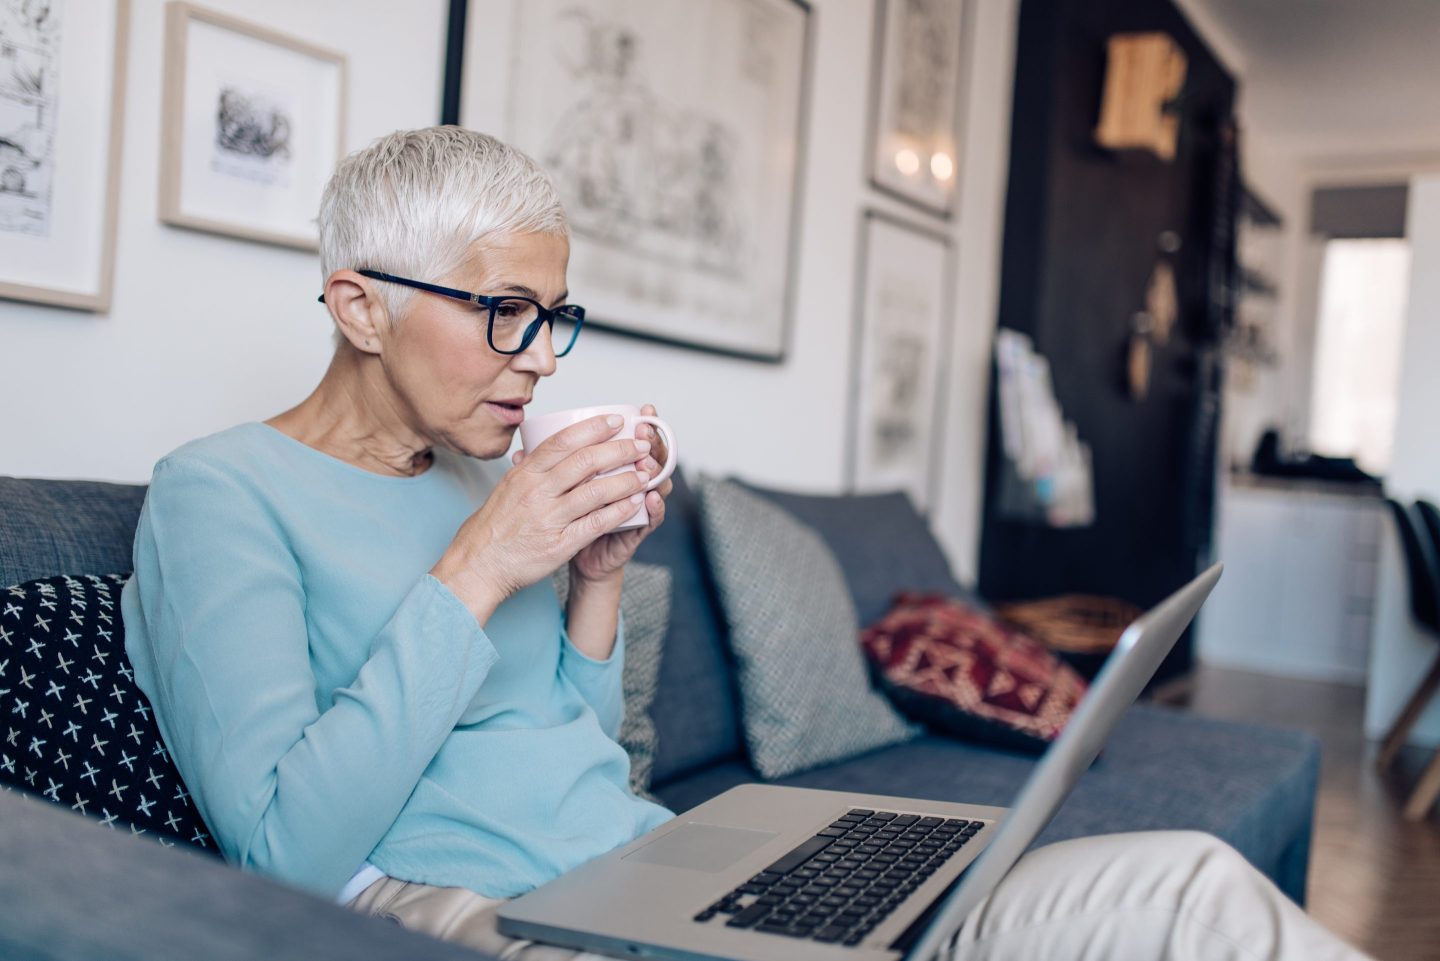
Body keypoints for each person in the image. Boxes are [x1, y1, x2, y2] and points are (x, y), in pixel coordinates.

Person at [122, 127, 1370, 961]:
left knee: (1188, 890)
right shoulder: (220, 494)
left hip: (659, 867)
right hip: (506, 918)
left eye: (556, 318)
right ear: (359, 305)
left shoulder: (470, 477)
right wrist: (484, 565)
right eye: (506, 313)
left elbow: (577, 752)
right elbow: (279, 848)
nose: (542, 358)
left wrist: (595, 586)